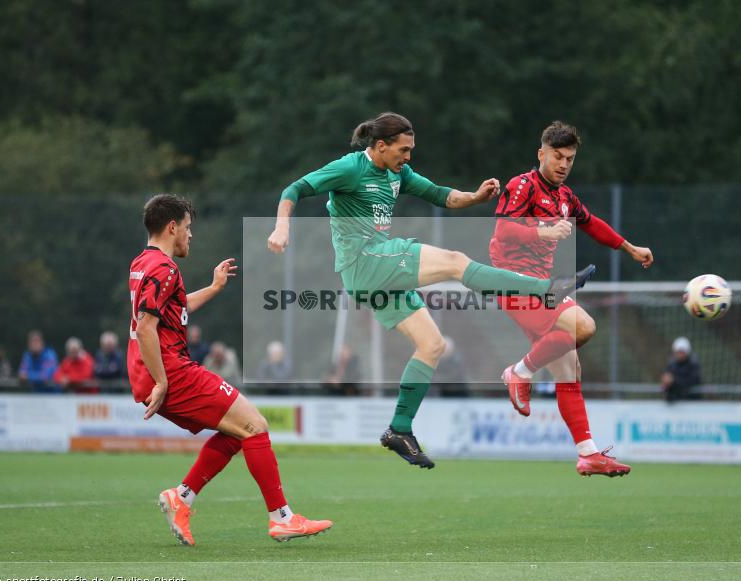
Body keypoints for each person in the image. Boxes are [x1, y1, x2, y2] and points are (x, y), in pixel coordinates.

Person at [268, 112, 592, 469]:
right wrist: (282, 228)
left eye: (411, 150)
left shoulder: (397, 172)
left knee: (432, 345)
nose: (408, 157)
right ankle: (545, 288)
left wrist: (475, 196)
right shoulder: (349, 168)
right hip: (365, 261)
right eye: (403, 150)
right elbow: (293, 190)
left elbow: (440, 195)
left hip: (377, 273)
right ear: (380, 146)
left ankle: (399, 429)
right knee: (455, 261)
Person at [129, 193, 330, 545]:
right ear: (172, 227)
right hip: (171, 370)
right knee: (255, 425)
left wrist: (215, 287)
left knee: (239, 432)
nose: (191, 235)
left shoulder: (143, 263)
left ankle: (182, 498)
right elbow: (146, 326)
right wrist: (161, 381)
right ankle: (281, 518)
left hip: (161, 369)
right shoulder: (164, 267)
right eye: (188, 228)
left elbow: (171, 310)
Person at [492, 121, 654, 477]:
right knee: (583, 325)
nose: (563, 164)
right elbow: (503, 228)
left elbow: (591, 222)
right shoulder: (522, 185)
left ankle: (588, 453)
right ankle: (518, 373)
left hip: (542, 287)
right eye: (557, 156)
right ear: (541, 154)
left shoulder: (564, 197)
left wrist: (629, 248)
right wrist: (544, 230)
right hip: (513, 283)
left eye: (570, 158)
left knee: (569, 368)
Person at [661, 337, 702, 401]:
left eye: (682, 352)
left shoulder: (693, 364)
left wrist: (673, 381)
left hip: (692, 401)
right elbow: (666, 382)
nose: (679, 355)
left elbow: (692, 381)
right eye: (678, 352)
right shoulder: (671, 364)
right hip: (675, 402)